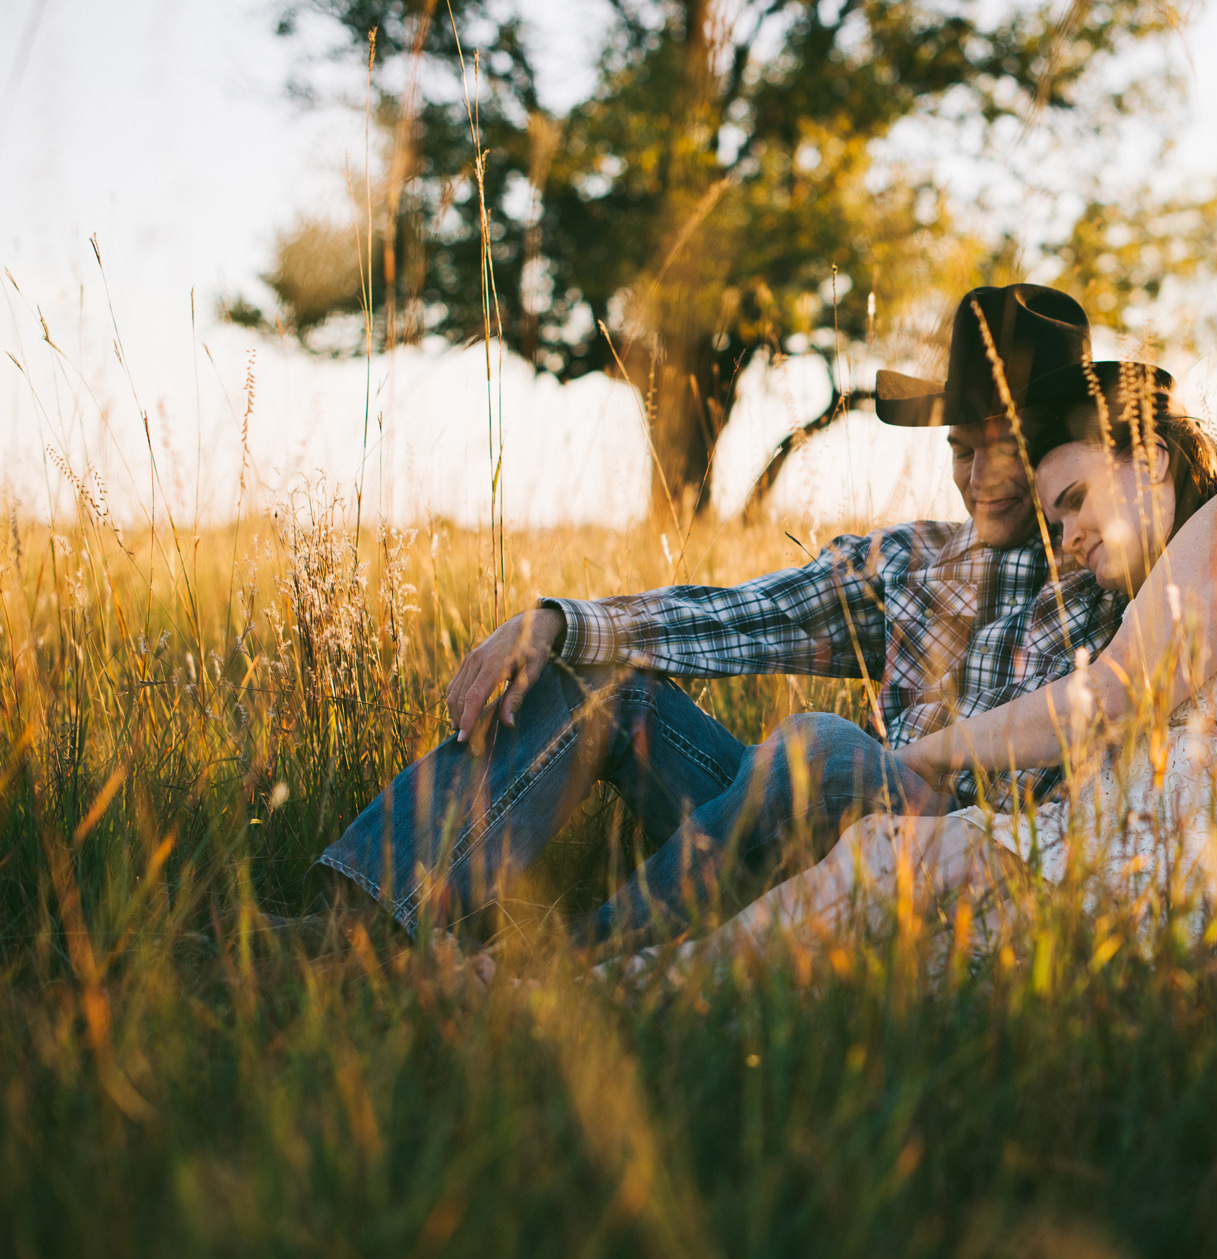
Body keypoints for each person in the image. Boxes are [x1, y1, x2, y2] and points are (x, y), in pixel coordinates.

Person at [314, 284, 1135, 946]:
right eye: (961, 447)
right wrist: (558, 622)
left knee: (820, 745)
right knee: (601, 681)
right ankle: (363, 923)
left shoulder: (1118, 573)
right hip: (792, 832)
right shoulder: (910, 560)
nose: (979, 476)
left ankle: (575, 963)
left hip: (954, 861)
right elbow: (741, 617)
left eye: (1005, 447)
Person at [681, 366, 1217, 957]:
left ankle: (657, 982)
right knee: (885, 882)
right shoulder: (1144, 601)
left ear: (1150, 457)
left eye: (1076, 500)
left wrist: (927, 756)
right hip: (1151, 869)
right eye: (1055, 521)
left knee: (885, 848)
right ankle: (682, 982)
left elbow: (1113, 694)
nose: (1068, 539)